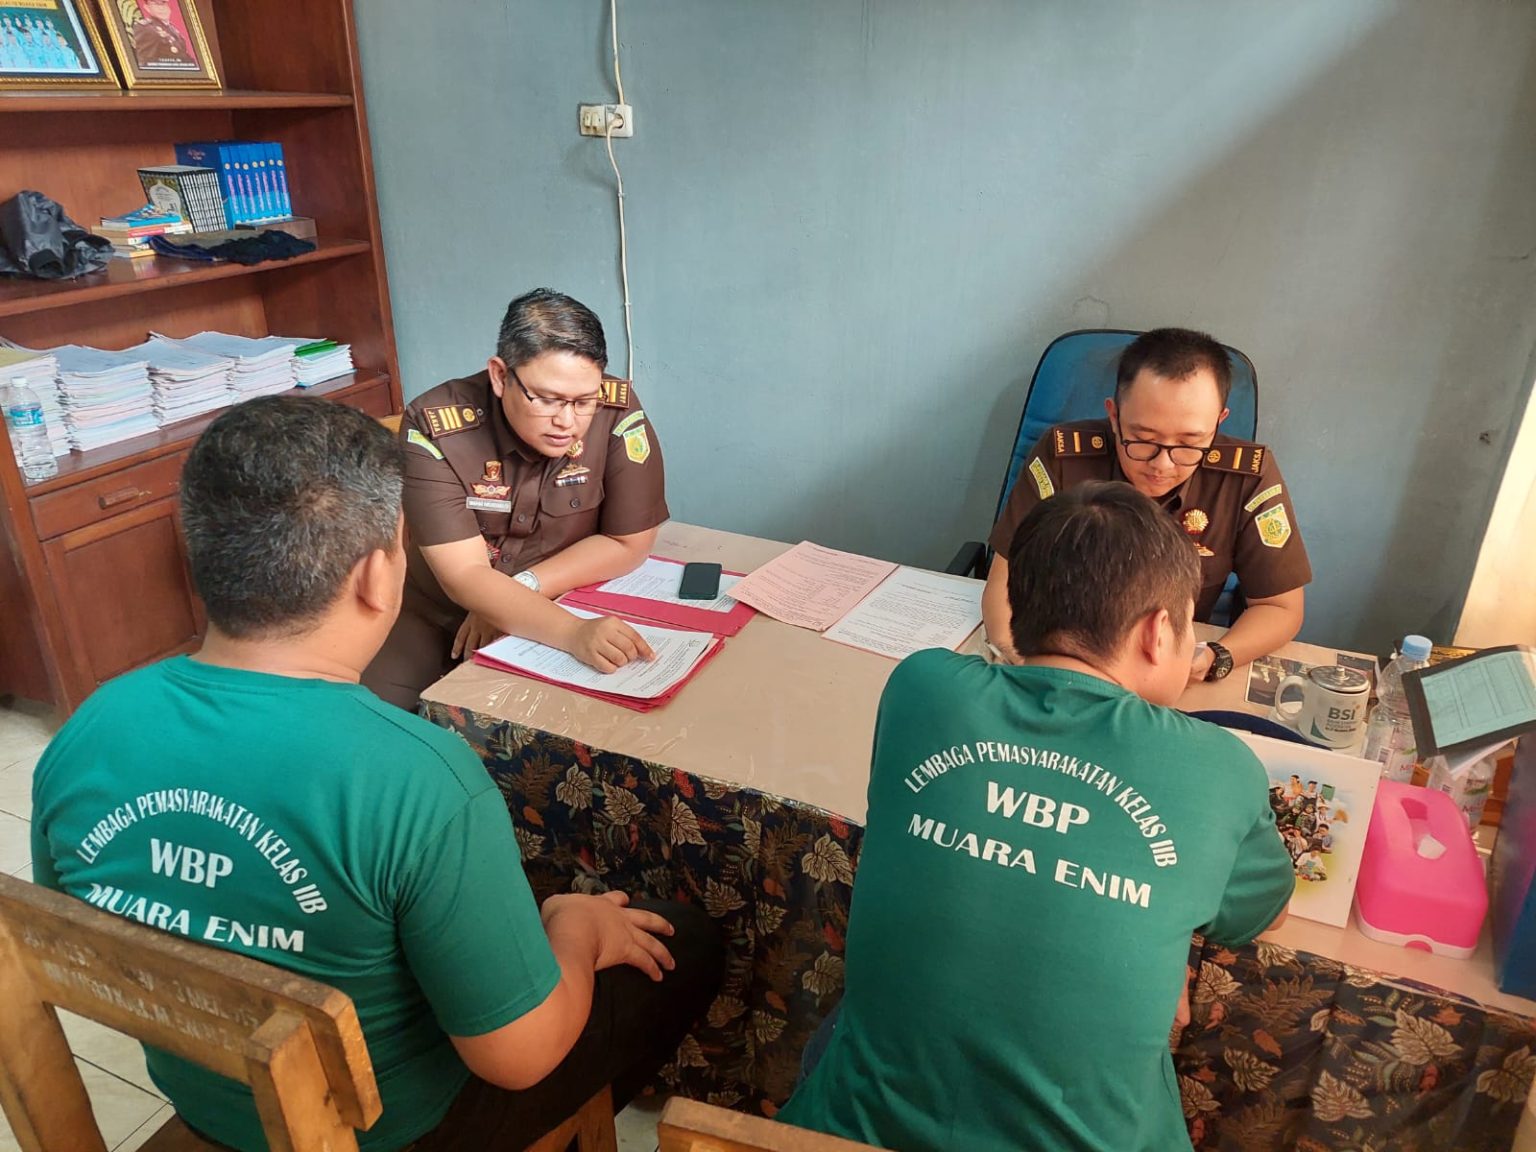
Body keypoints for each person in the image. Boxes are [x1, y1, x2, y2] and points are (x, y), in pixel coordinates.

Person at [30, 397, 723, 1152]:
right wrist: (574, 932)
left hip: (205, 1093)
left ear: (201, 561)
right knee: (684, 940)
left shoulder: (91, 728)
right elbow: (517, 1059)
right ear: (376, 575)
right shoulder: (421, 775)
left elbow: (80, 943)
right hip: (395, 1130)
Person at [780, 480, 1294, 1152]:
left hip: (843, 1133)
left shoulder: (922, 687)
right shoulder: (1220, 767)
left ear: (1018, 608)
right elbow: (1263, 913)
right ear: (1158, 631)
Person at [363, 288, 667, 711]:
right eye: (547, 399)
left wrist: (519, 593)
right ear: (500, 376)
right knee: (384, 718)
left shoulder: (615, 408)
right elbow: (465, 574)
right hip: (435, 613)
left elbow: (628, 542)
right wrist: (573, 633)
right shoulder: (434, 424)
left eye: (583, 402)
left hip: (560, 600)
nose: (567, 421)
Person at [982, 327, 1311, 685]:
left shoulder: (1247, 477)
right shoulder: (1063, 456)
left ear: (1218, 422)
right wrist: (1025, 665)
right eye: (1143, 439)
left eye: (1189, 442)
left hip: (1169, 673)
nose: (1162, 465)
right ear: (1114, 416)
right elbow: (1003, 580)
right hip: (1059, 663)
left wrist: (1217, 656)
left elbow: (1280, 606)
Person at [132, 0, 194, 69]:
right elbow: (145, 62)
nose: (161, 8)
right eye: (155, 4)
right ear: (147, 8)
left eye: (164, 3)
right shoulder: (146, 28)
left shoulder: (172, 29)